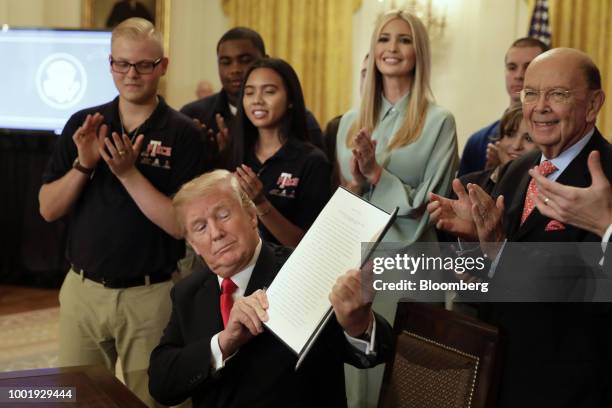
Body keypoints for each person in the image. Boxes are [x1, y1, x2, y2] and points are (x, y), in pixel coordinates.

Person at [428, 48, 612, 407]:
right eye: (531, 93)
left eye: (557, 94)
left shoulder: (608, 176)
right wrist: (474, 240)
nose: (539, 106)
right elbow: (490, 283)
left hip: (572, 386)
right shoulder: (518, 169)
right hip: (501, 375)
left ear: (593, 105)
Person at [38, 18, 207, 407]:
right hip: (83, 291)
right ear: (110, 64)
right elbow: (48, 209)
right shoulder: (84, 124)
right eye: (122, 64)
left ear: (163, 66)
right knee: (77, 397)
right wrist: (83, 165)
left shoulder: (182, 133)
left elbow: (180, 226)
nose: (132, 74)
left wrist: (128, 173)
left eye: (144, 65)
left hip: (150, 296)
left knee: (154, 399)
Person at [148, 169, 393, 408]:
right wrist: (223, 343)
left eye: (223, 215)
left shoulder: (307, 267)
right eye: (200, 227)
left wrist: (358, 324)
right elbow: (161, 383)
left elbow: (374, 354)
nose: (216, 233)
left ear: (252, 216)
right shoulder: (186, 292)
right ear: (194, 245)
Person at [335, 9, 458, 406]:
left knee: (410, 386)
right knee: (359, 383)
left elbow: (429, 204)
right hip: (361, 267)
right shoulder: (349, 123)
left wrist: (377, 175)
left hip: (414, 267)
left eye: (404, 39)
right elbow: (347, 203)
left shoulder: (439, 122)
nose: (393, 48)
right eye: (385, 38)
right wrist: (356, 183)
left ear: (419, 52)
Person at [227, 58, 331, 248]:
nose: (257, 100)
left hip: (287, 271)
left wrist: (260, 203)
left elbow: (308, 245)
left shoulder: (312, 161)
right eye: (249, 92)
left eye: (269, 92)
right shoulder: (234, 153)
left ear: (291, 99)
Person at [180, 27, 324, 160]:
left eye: (245, 60)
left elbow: (321, 176)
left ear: (265, 60)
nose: (235, 69)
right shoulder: (194, 115)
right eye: (226, 62)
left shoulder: (300, 119)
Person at [458, 37, 548, 177]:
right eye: (512, 67)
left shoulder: (557, 137)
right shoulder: (477, 142)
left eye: (528, 67)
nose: (519, 75)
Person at [459, 104, 538, 194]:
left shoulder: (540, 193)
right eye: (510, 134)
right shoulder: (466, 185)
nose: (516, 146)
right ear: (499, 140)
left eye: (529, 139)